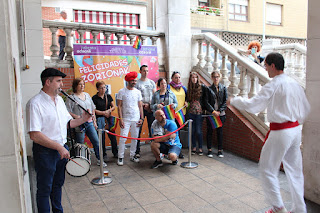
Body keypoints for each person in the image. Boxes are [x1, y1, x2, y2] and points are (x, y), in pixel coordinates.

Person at [228, 53, 310, 213]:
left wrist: (234, 100)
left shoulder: (273, 85)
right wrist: (295, 122)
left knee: (267, 169)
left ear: (273, 65)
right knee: (295, 170)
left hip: (281, 132)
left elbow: (254, 106)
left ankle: (278, 207)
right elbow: (305, 109)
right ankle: (300, 208)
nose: (265, 68)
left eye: (266, 65)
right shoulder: (294, 83)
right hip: (295, 131)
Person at [26, 68, 91, 213]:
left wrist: (83, 119)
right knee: (44, 188)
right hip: (45, 152)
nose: (62, 85)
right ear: (48, 82)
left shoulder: (59, 102)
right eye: (58, 81)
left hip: (61, 149)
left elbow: (68, 124)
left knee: (57, 185)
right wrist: (58, 147)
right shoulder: (34, 103)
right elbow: (34, 135)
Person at [65, 78, 106, 167]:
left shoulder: (87, 95)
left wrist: (94, 121)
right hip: (79, 124)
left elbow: (92, 108)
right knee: (80, 144)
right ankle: (81, 162)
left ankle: (100, 159)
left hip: (89, 122)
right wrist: (76, 116)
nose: (82, 86)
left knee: (96, 141)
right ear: (75, 86)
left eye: (83, 84)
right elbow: (67, 111)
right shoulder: (71, 98)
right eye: (80, 84)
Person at [117, 71, 144, 166]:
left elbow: (140, 106)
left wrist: (142, 118)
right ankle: (120, 157)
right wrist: (120, 119)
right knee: (123, 138)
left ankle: (133, 155)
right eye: (133, 80)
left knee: (135, 138)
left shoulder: (138, 92)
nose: (134, 82)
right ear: (128, 81)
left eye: (135, 80)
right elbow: (119, 106)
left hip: (136, 118)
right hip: (125, 119)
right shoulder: (121, 91)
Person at [92, 81, 118, 158]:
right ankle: (103, 154)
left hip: (108, 118)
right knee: (101, 137)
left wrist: (109, 111)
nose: (103, 89)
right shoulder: (94, 98)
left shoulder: (108, 96)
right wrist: (103, 113)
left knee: (113, 136)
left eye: (104, 87)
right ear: (97, 89)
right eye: (101, 88)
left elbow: (113, 107)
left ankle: (115, 152)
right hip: (99, 119)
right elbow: (94, 110)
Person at [135, 65, 156, 157]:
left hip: (151, 109)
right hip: (141, 109)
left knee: (153, 129)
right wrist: (143, 105)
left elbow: (155, 96)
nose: (146, 72)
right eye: (144, 71)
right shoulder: (137, 83)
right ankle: (137, 151)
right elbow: (135, 96)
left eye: (147, 71)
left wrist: (150, 105)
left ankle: (154, 148)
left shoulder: (152, 82)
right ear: (140, 72)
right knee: (138, 130)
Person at [205, 71, 228, 158]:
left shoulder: (223, 88)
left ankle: (220, 150)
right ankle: (209, 149)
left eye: (217, 76)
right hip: (211, 114)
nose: (216, 78)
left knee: (220, 132)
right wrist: (213, 111)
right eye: (214, 76)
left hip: (220, 114)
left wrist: (219, 111)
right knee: (210, 131)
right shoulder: (209, 88)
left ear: (220, 77)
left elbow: (225, 101)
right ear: (211, 77)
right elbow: (206, 102)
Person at [186, 72, 209, 155]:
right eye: (192, 77)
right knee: (192, 130)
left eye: (195, 77)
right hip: (191, 112)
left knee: (199, 131)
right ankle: (194, 147)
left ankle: (200, 147)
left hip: (199, 112)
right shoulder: (189, 89)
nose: (194, 79)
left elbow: (205, 99)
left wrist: (206, 109)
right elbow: (187, 99)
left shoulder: (202, 87)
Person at [168, 71, 188, 159]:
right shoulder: (169, 87)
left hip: (181, 114)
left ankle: (177, 150)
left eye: (179, 77)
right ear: (172, 78)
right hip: (172, 114)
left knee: (178, 132)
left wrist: (188, 103)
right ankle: (170, 150)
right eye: (176, 77)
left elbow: (188, 99)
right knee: (172, 132)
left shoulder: (183, 88)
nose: (178, 79)